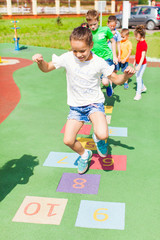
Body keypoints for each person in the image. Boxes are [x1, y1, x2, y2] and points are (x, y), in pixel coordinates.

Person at [32, 27, 135, 175]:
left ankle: (98, 139)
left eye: (82, 51)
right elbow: (47, 68)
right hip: (76, 107)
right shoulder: (67, 58)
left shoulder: (99, 62)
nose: (78, 54)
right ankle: (85, 155)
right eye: (75, 50)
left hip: (94, 104)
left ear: (91, 45)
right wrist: (40, 61)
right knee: (68, 140)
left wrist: (126, 76)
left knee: (103, 134)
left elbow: (117, 79)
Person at [86, 10, 118, 97]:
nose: (92, 27)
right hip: (95, 60)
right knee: (93, 80)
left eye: (94, 24)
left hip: (106, 58)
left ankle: (108, 86)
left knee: (104, 81)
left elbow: (113, 41)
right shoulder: (88, 33)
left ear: (98, 21)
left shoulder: (105, 30)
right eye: (90, 25)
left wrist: (115, 56)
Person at [133, 25, 147, 101]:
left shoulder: (144, 44)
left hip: (142, 64)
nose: (135, 37)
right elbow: (137, 53)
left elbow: (142, 56)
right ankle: (143, 87)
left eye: (136, 36)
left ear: (140, 35)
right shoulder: (138, 43)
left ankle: (138, 94)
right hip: (138, 63)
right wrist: (135, 61)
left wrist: (139, 66)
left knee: (138, 77)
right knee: (137, 75)